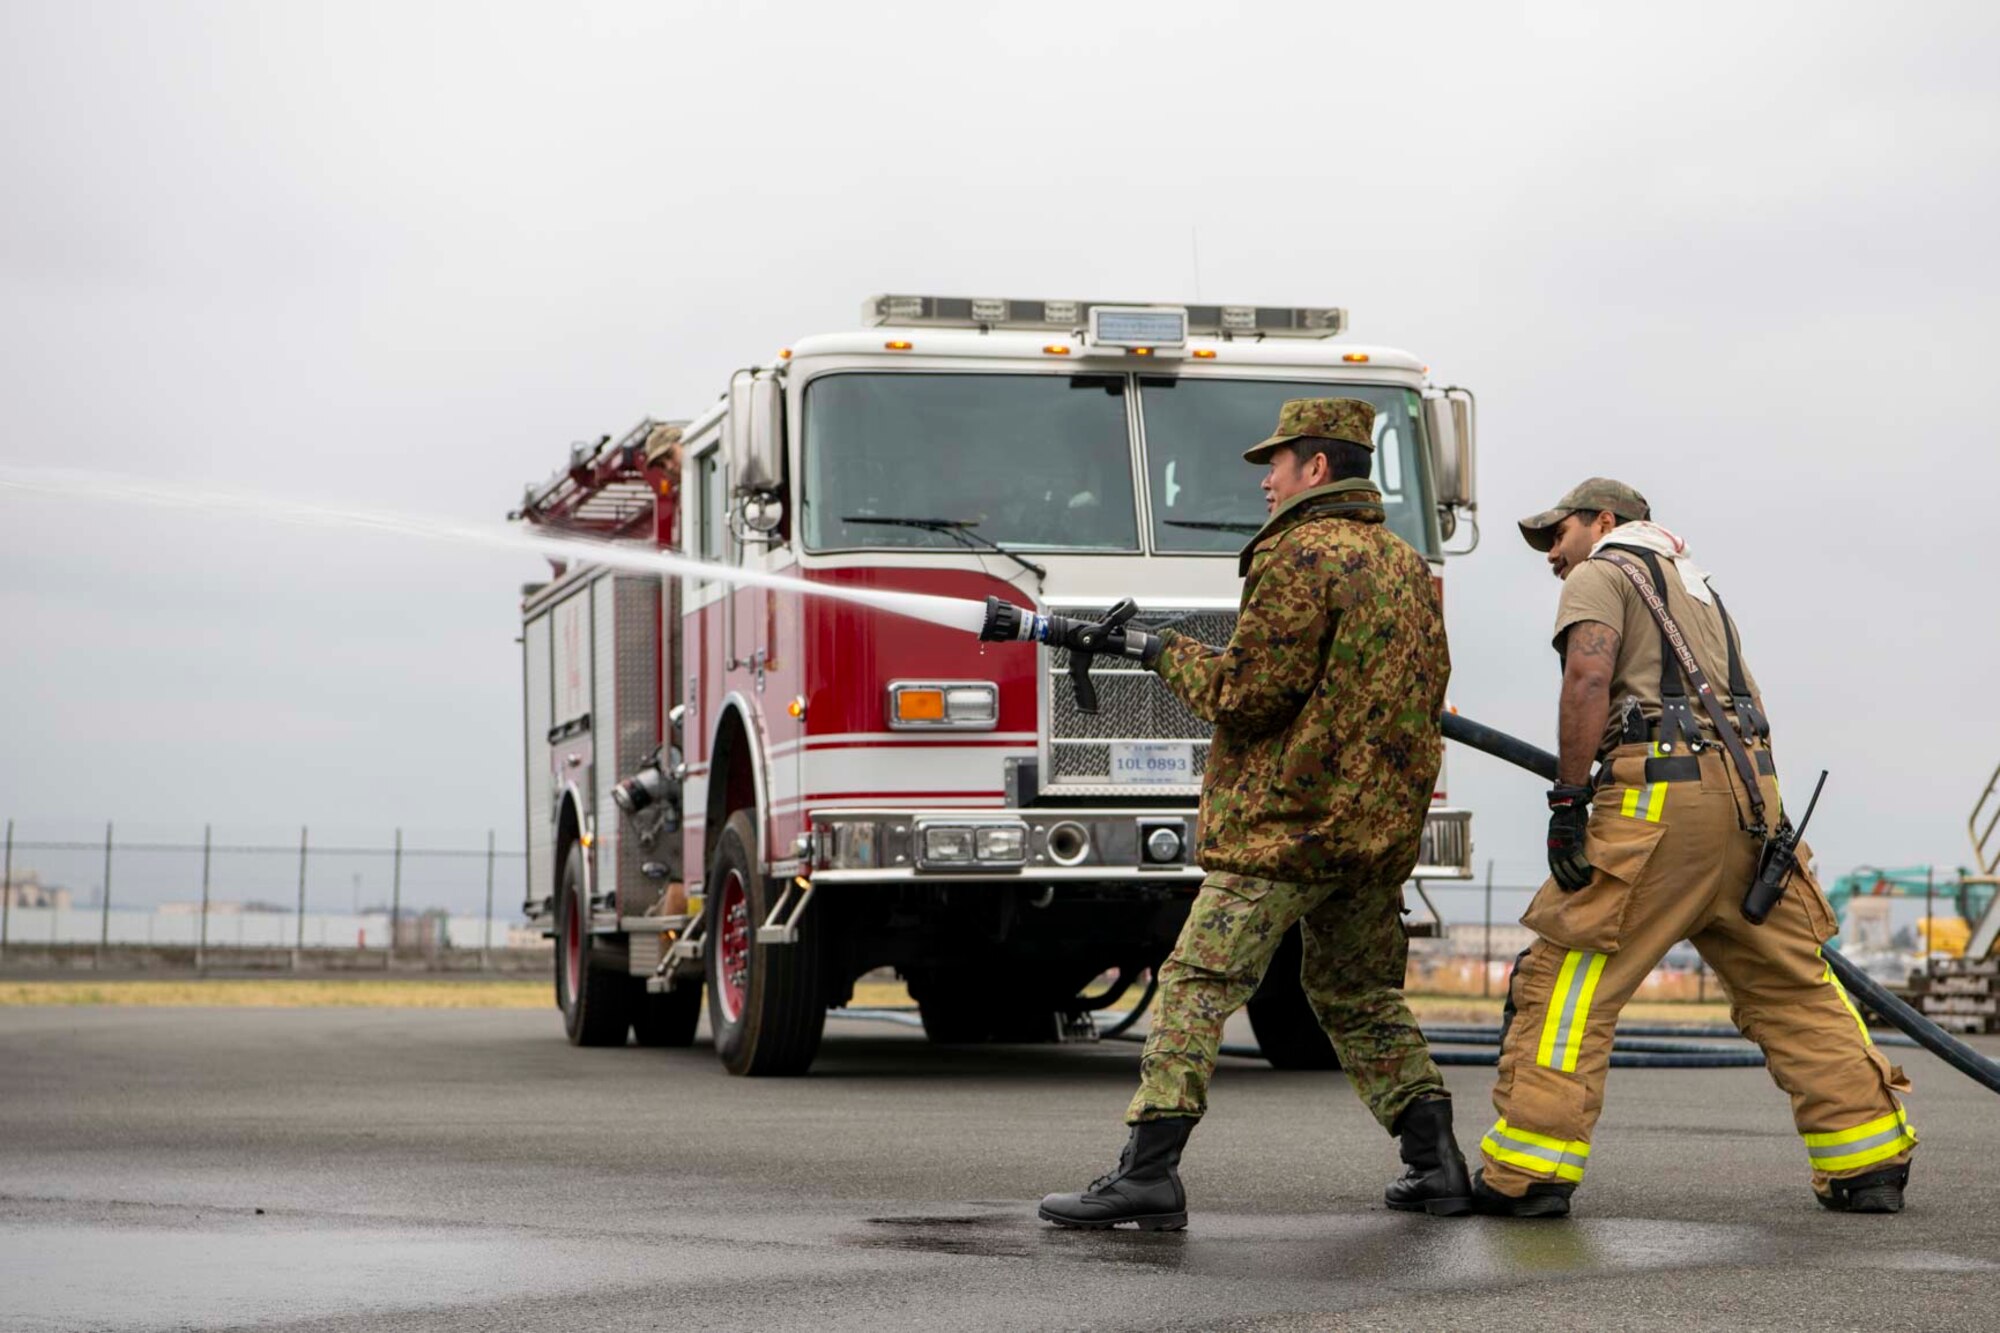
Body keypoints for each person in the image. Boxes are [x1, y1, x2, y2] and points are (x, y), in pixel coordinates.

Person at [1038, 398, 1470, 1229]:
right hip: (1374, 833)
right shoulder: (1405, 563)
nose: (1266, 480)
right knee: (1355, 991)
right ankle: (1437, 1162)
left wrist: (1165, 649)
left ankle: (1148, 1171)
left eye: (1276, 463)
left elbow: (1246, 695)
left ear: (1316, 467)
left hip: (1291, 827)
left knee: (1199, 980)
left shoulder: (1301, 554)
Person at [1479, 479, 1917, 1218]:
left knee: (1569, 981)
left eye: (1559, 532)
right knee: (1790, 982)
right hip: (1753, 809)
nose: (1553, 552)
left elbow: (1588, 675)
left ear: (1606, 522)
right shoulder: (1699, 589)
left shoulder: (1602, 573)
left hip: (1658, 804)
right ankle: (1868, 1160)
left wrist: (1566, 801)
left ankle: (1530, 1172)